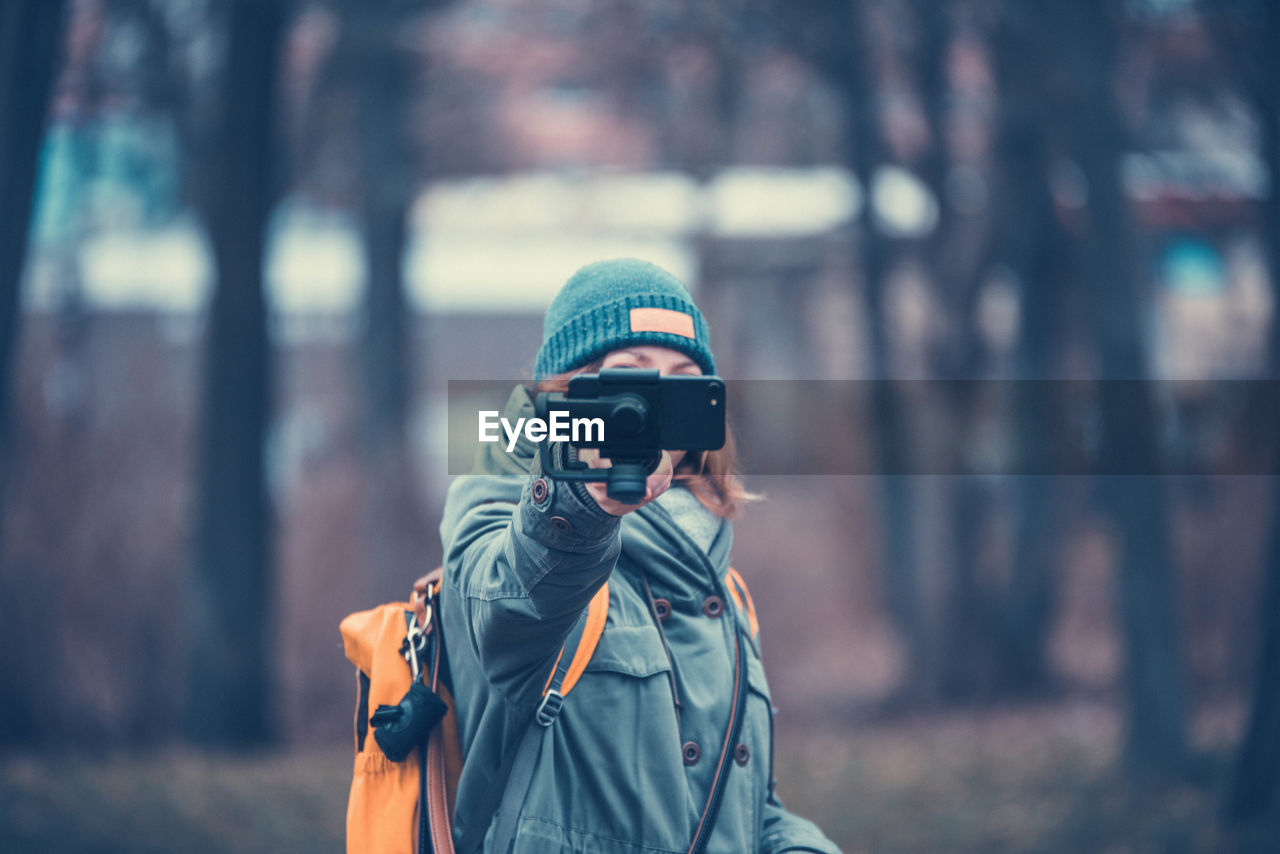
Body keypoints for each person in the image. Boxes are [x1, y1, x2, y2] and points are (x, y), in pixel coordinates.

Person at [439, 258, 841, 853]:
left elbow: (744, 807)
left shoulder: (721, 587)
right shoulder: (508, 514)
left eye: (682, 378)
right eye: (630, 379)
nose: (653, 406)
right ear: (562, 398)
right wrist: (580, 497)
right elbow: (504, 617)